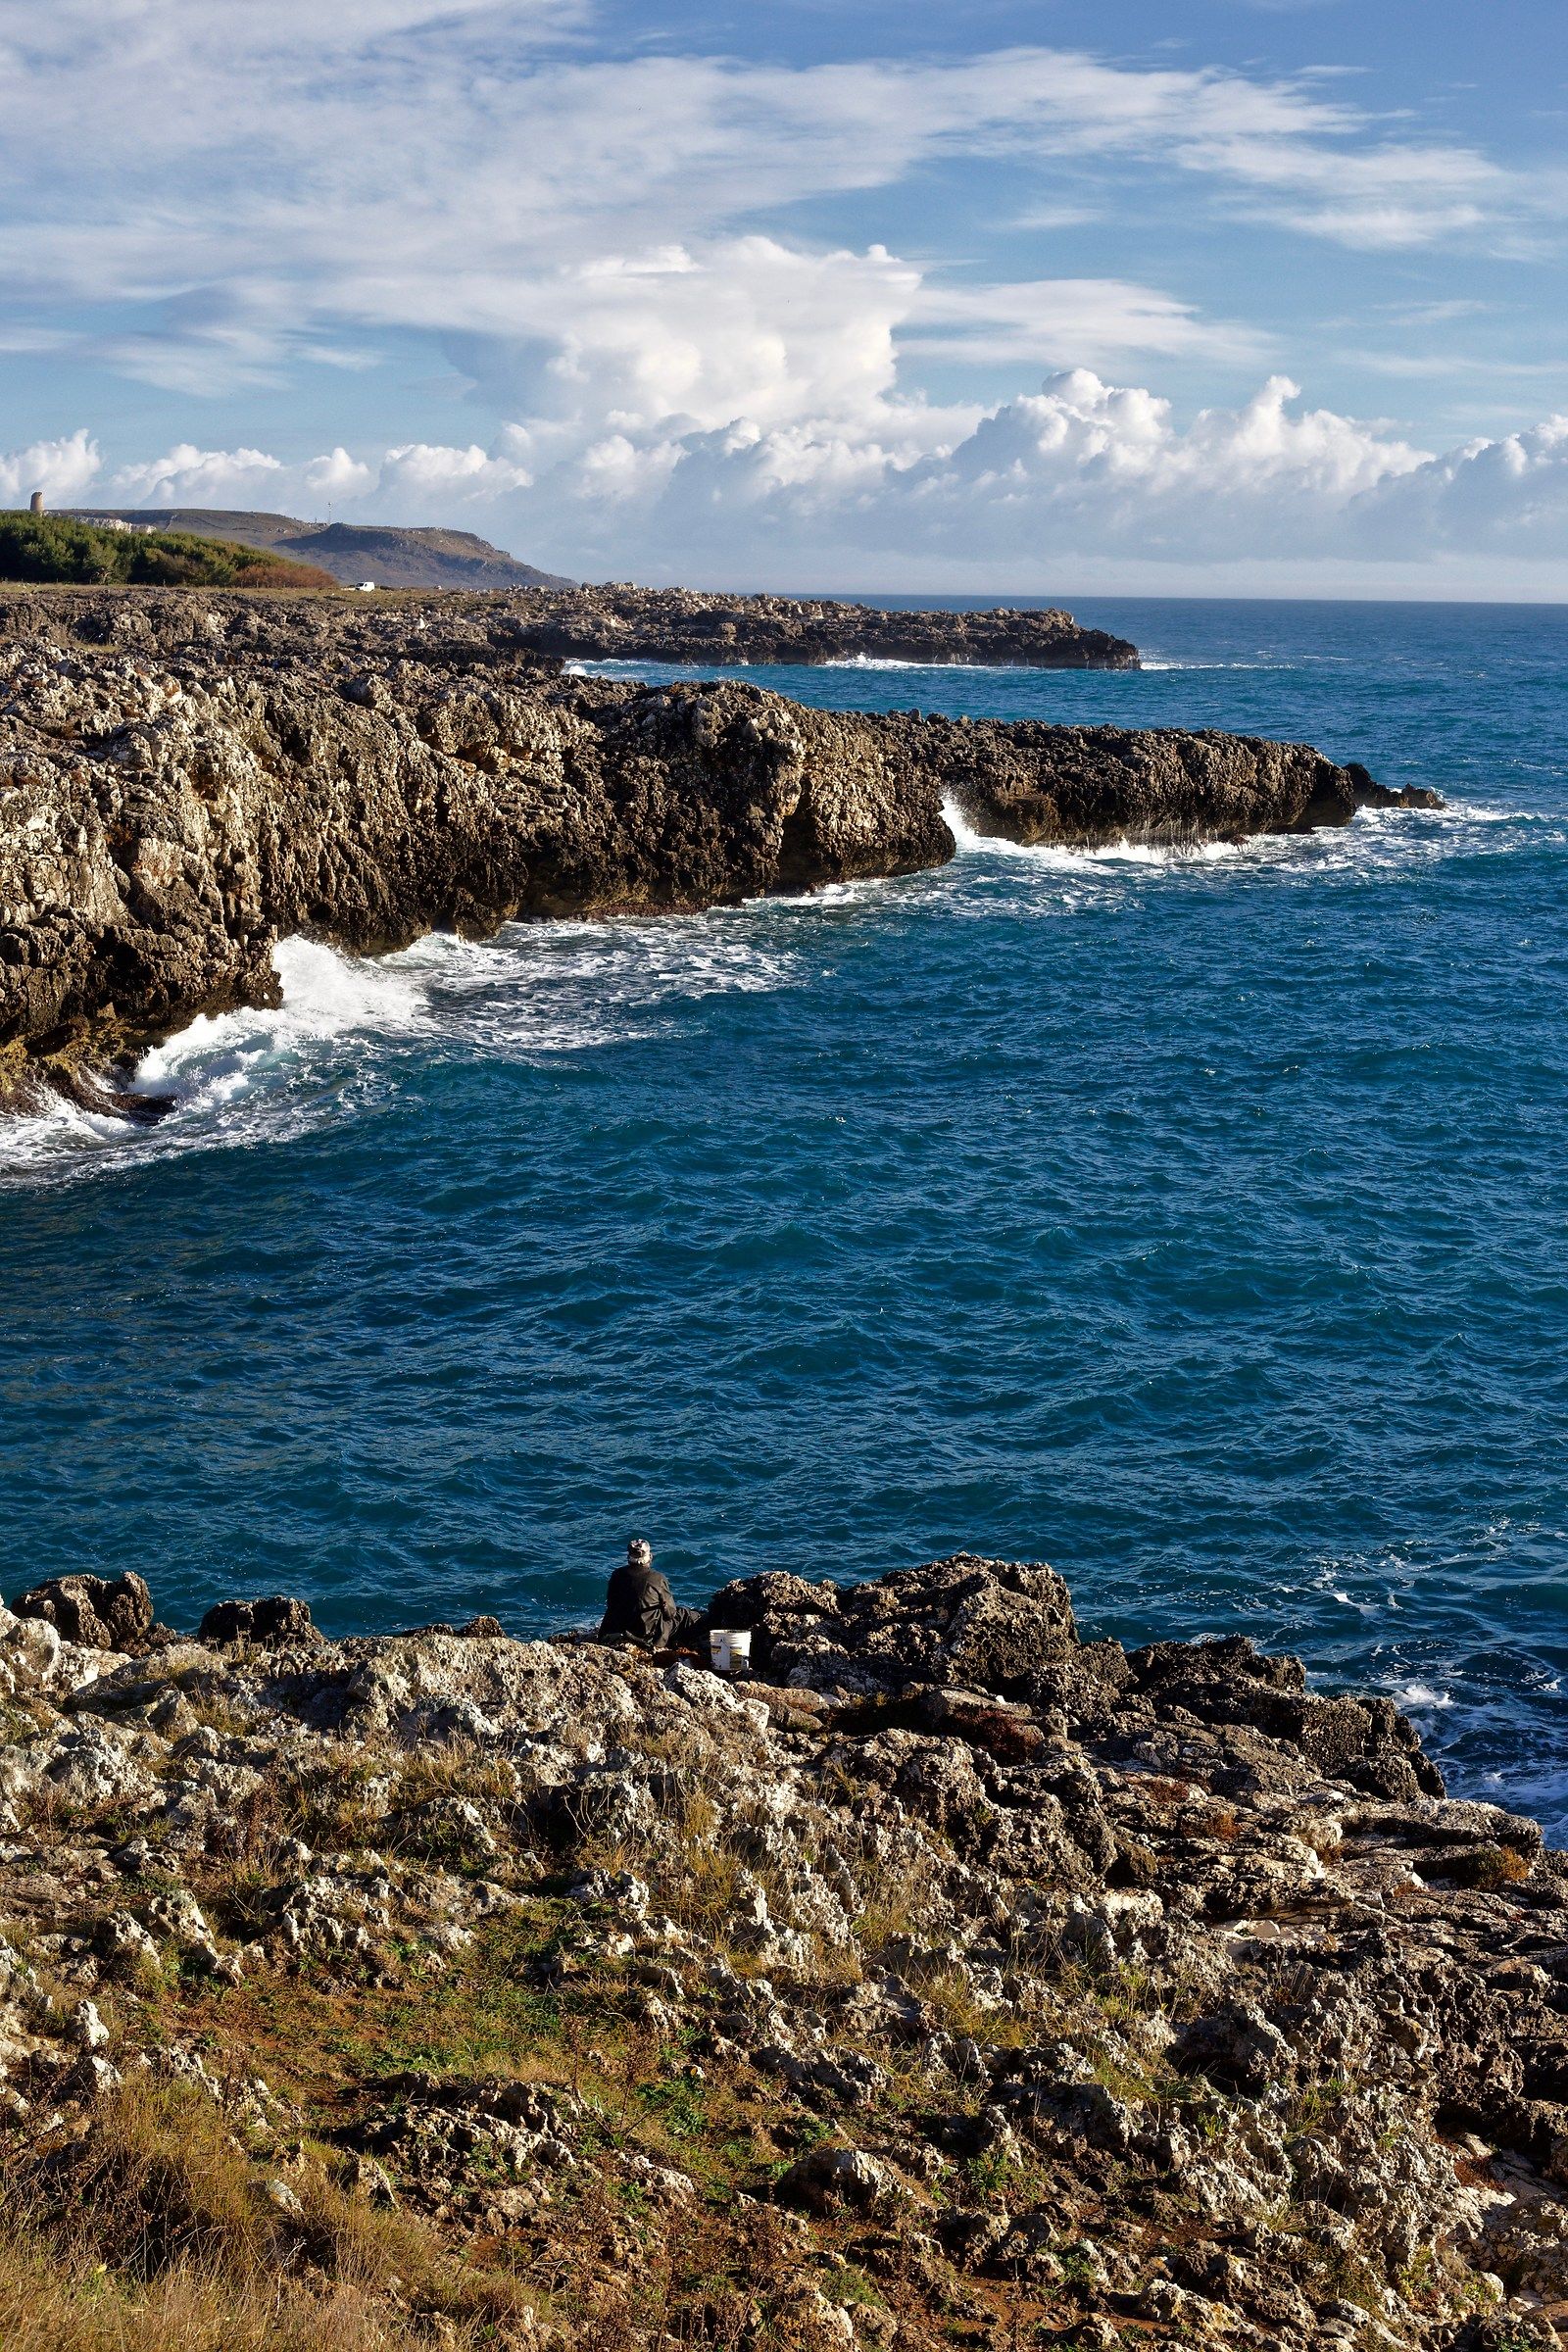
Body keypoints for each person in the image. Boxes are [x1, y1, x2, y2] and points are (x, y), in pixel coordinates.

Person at [597, 1539, 703, 1652]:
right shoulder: (657, 1578)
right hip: (645, 1635)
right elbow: (670, 1613)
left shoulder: (616, 1575)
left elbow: (610, 1603)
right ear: (650, 1557)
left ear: (629, 1557)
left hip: (618, 1628)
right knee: (686, 1615)